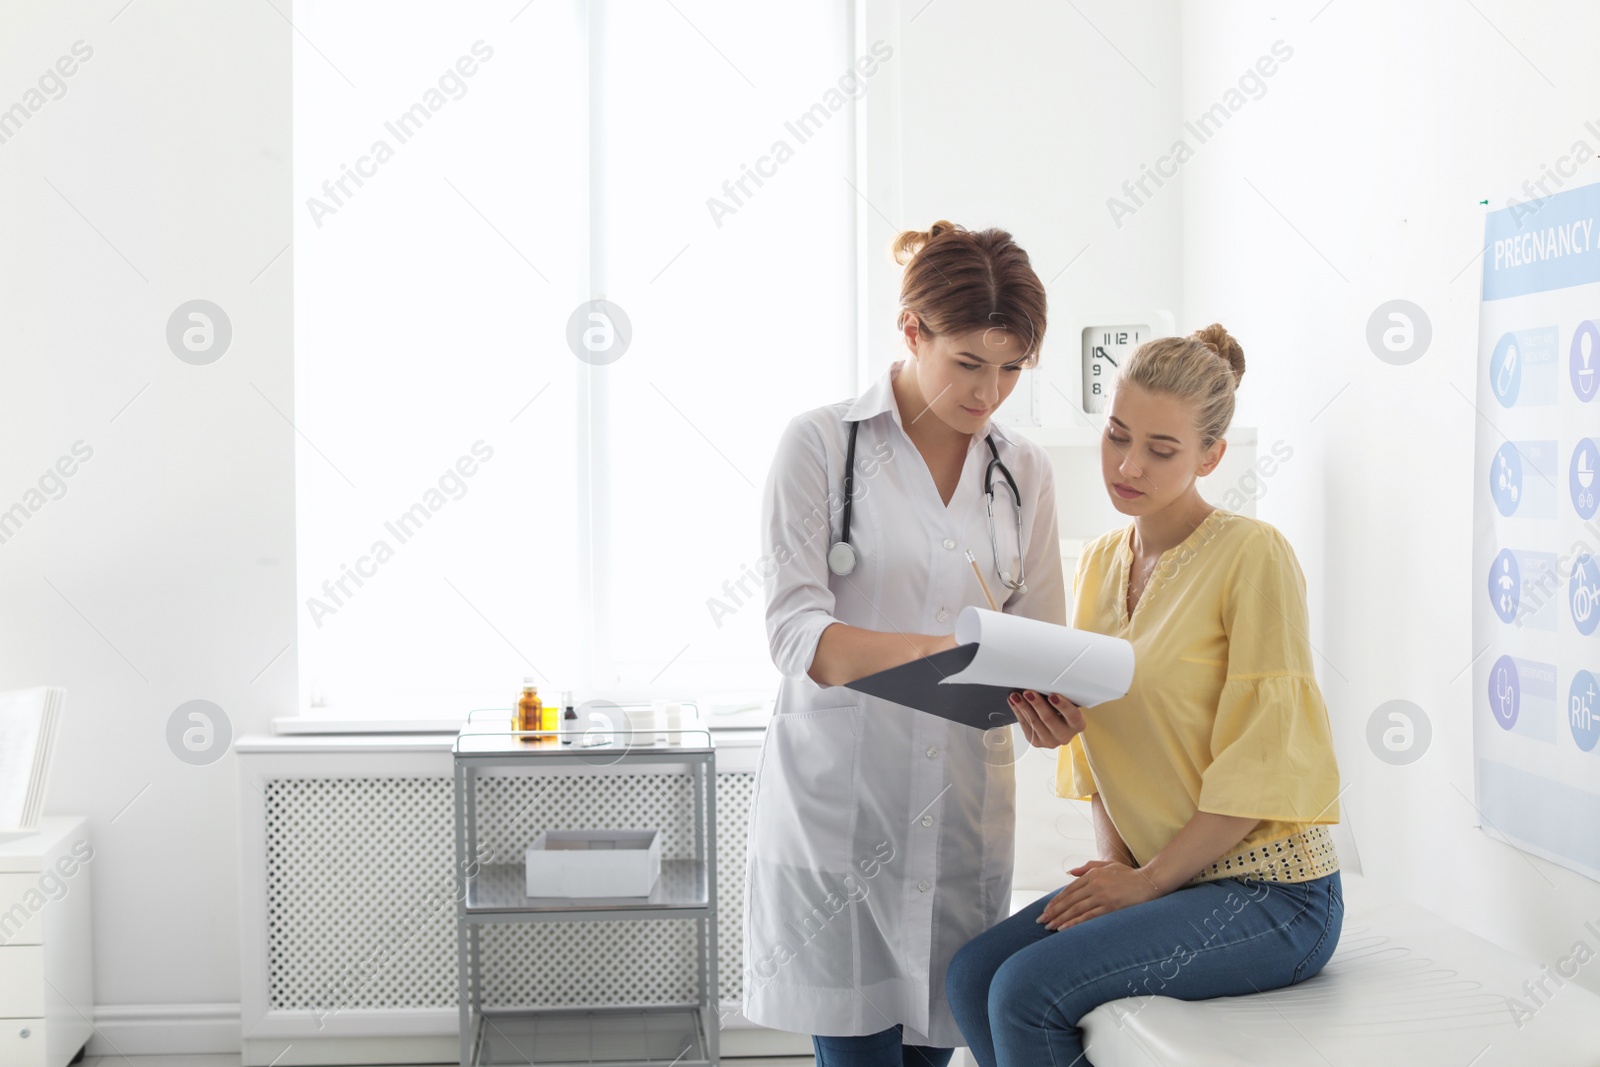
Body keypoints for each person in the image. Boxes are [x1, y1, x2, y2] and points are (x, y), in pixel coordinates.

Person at [945, 324, 1345, 1067]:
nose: (1128, 465)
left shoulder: (1252, 555)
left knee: (1024, 990)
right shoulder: (1098, 563)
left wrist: (1148, 883)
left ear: (1210, 457)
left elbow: (1263, 760)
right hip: (1166, 878)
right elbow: (1102, 742)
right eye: (1117, 435)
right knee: (972, 975)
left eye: (1161, 450)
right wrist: (1058, 737)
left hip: (1273, 893)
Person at [743, 220, 1068, 1066]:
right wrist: (941, 652)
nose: (988, 391)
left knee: (934, 1048)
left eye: (1010, 368)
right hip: (842, 812)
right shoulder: (820, 444)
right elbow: (795, 630)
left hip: (961, 814)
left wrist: (1051, 706)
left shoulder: (1023, 471)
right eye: (967, 362)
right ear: (911, 330)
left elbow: (1040, 637)